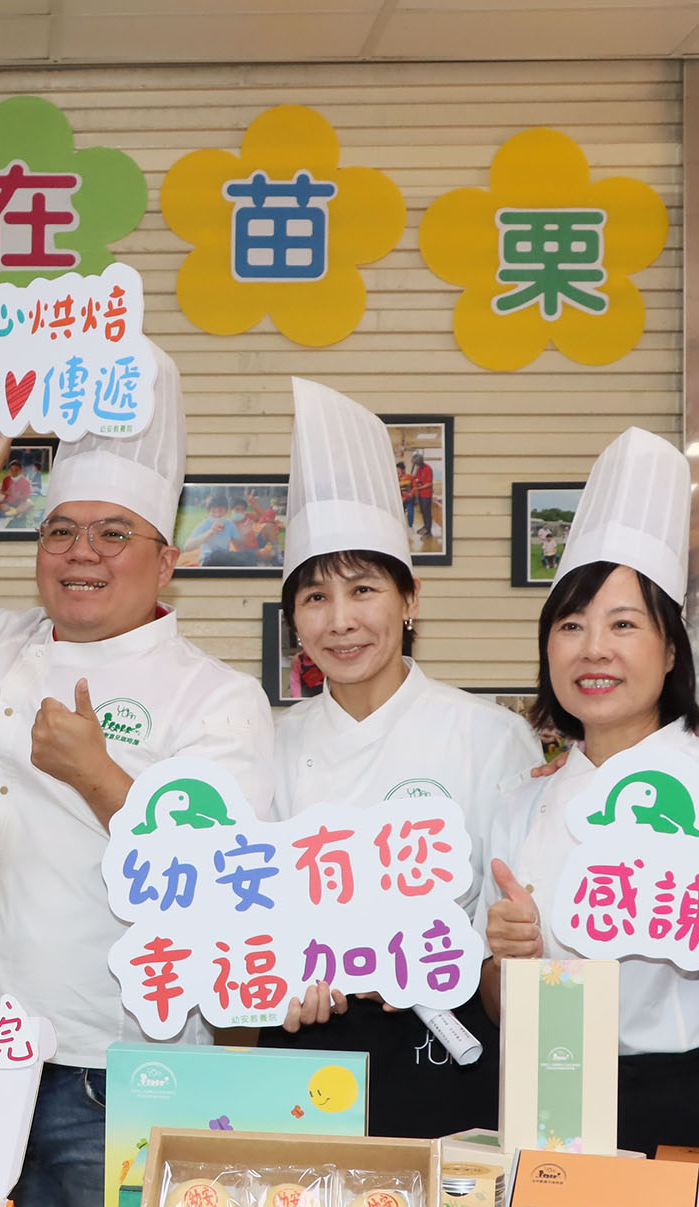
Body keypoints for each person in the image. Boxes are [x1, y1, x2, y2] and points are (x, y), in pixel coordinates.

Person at [0, 344, 275, 1207]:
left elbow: (222, 880)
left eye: (114, 534)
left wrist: (97, 775)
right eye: (60, 530)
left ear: (167, 562)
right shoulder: (4, 646)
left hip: (120, 1073)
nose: (82, 553)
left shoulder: (219, 697)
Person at [256, 379, 540, 1139]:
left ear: (410, 600)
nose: (341, 621)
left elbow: (504, 924)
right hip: (303, 1046)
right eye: (314, 599)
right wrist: (278, 979)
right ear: (293, 622)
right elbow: (248, 909)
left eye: (363, 589)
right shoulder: (269, 745)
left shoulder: (487, 736)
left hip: (448, 1055)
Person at [479, 428, 699, 1157]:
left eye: (624, 624)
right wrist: (509, 959)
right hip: (546, 1098)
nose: (595, 650)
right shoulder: (520, 803)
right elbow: (500, 1007)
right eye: (572, 625)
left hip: (687, 1100)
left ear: (672, 648)